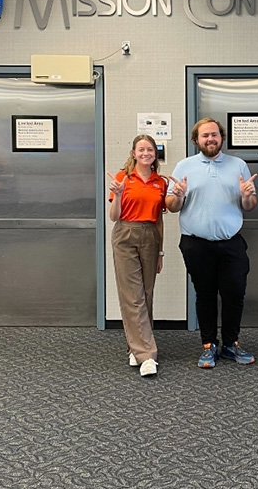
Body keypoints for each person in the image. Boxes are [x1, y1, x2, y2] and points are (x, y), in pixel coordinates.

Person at [166, 117, 258, 369]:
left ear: (222, 137)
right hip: (196, 244)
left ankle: (231, 343)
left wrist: (249, 196)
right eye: (205, 135)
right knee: (205, 295)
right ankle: (208, 345)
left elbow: (248, 206)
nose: (211, 139)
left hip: (231, 244)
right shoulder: (184, 166)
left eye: (215, 135)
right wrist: (178, 196)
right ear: (196, 140)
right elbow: (172, 207)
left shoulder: (238, 165)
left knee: (234, 294)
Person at [108, 134, 168, 378]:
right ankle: (146, 355)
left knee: (146, 293)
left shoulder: (160, 182)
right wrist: (120, 195)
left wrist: (161, 250)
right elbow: (113, 216)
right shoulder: (123, 178)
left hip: (151, 235)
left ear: (155, 154)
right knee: (132, 295)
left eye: (150, 150)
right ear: (133, 153)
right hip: (125, 234)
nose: (146, 153)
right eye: (141, 149)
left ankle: (136, 346)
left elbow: (160, 219)